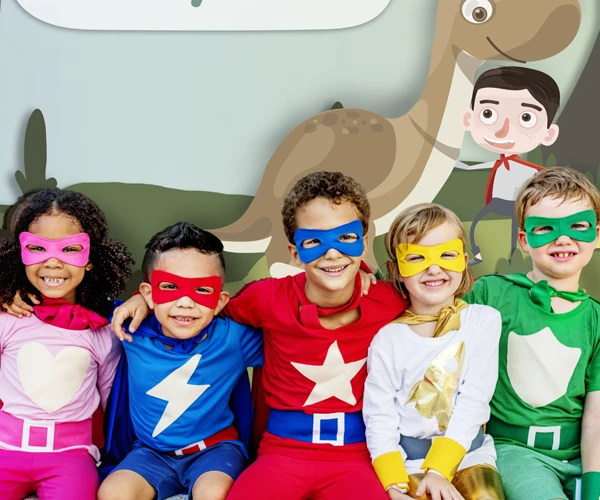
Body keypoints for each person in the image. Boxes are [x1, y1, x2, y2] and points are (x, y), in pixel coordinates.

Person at [112, 171, 409, 500]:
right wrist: (146, 300)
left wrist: (363, 270)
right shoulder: (265, 299)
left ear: (364, 243)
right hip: (283, 452)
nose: (333, 253)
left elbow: (434, 304)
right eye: (314, 241)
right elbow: (205, 307)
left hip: (357, 455)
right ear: (294, 252)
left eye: (346, 238)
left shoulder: (389, 300)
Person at [96, 222, 263, 500]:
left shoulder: (234, 338)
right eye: (170, 287)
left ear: (220, 301)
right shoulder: (129, 327)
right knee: (113, 493)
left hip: (215, 451)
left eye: (202, 290)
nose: (185, 302)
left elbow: (288, 336)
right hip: (150, 454)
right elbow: (70, 306)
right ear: (149, 293)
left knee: (214, 494)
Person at [464, 167, 600, 500]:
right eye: (545, 228)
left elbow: (596, 417)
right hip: (517, 451)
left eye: (577, 226)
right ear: (524, 240)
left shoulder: (596, 319)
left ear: (596, 235)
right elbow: (428, 315)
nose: (563, 239)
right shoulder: (490, 294)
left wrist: (593, 485)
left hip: (581, 455)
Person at [363, 203, 504, 500]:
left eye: (446, 255)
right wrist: (393, 484)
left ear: (463, 261)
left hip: (470, 456)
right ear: (397, 271)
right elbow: (379, 417)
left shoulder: (483, 322)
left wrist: (440, 470)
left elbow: (475, 400)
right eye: (416, 257)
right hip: (408, 463)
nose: (434, 269)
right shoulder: (387, 340)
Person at [0, 189, 133, 500]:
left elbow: (110, 401)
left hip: (71, 456)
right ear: (20, 254)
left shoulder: (103, 331)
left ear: (91, 260)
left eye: (70, 249)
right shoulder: (8, 317)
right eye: (37, 248)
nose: (53, 262)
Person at [456, 66, 560, 265]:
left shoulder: (532, 170)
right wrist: (462, 165)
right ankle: (479, 255)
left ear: (549, 134)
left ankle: (515, 257)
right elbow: (481, 168)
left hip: (519, 206)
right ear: (468, 119)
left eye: (526, 118)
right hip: (497, 203)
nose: (503, 131)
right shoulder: (500, 163)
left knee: (516, 231)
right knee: (477, 224)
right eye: (488, 114)